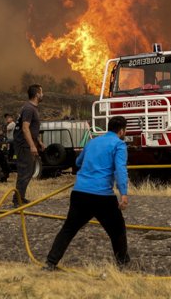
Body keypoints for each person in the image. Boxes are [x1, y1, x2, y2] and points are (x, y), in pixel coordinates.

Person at [44, 115, 130, 271]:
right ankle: (123, 264)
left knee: (69, 228)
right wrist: (123, 194)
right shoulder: (119, 145)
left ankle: (51, 262)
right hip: (102, 196)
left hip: (79, 193)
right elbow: (120, 170)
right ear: (122, 130)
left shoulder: (92, 142)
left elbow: (78, 162)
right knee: (117, 229)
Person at [13, 84, 44, 205]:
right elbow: (25, 128)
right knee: (25, 171)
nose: (43, 95)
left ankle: (20, 197)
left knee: (29, 171)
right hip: (23, 145)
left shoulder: (31, 108)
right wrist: (32, 145)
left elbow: (31, 129)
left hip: (27, 144)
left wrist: (39, 142)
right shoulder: (29, 108)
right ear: (37, 94)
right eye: (41, 92)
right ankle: (17, 200)